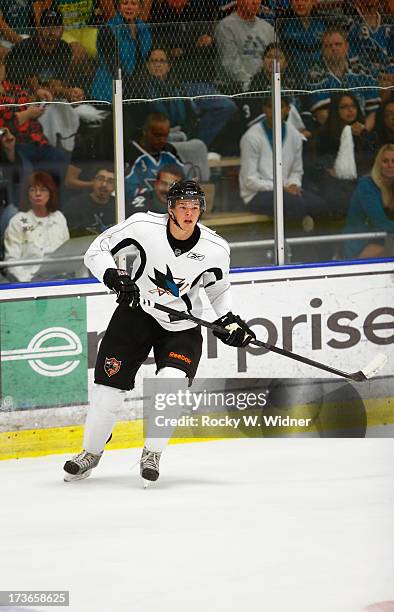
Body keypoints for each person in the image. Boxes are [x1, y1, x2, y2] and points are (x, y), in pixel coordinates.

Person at [62, 179, 256, 484]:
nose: (190, 213)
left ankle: (152, 452)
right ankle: (90, 453)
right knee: (107, 393)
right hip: (135, 314)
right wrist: (113, 275)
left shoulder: (216, 248)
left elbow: (218, 289)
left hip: (182, 325)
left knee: (171, 382)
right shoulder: (142, 227)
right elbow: (96, 251)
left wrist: (229, 321)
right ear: (170, 208)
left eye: (195, 207)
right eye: (183, 207)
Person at [239, 96, 324, 230]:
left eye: (280, 106)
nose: (274, 110)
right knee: (295, 204)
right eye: (270, 106)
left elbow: (296, 171)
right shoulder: (251, 137)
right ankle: (290, 249)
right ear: (264, 109)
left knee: (319, 205)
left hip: (287, 190)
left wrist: (294, 184)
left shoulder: (295, 135)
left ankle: (315, 250)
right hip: (256, 194)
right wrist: (281, 188)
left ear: (288, 109)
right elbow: (250, 181)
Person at [313, 92, 375, 216]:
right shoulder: (324, 134)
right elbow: (320, 162)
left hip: (360, 180)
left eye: (353, 106)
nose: (350, 110)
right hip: (334, 183)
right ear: (335, 109)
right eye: (344, 107)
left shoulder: (363, 132)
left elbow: (371, 159)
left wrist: (363, 134)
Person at [3, 170, 69, 282]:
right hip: (29, 283)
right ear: (27, 194)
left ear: (50, 193)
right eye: (33, 189)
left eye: (43, 189)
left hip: (60, 280)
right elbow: (11, 261)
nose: (38, 194)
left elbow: (68, 253)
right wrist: (28, 281)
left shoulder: (59, 217)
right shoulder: (18, 221)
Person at [307, 27, 381, 123]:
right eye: (328, 46)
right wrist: (348, 132)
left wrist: (363, 131)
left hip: (363, 128)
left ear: (346, 47)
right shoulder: (315, 75)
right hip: (333, 132)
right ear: (322, 50)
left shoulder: (362, 70)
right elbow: (322, 115)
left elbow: (373, 111)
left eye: (338, 44)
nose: (333, 48)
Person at [91, 0, 152, 102]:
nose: (129, 7)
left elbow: (145, 57)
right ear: (119, 7)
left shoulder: (144, 28)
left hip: (135, 89)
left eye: (133, 3)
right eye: (125, 3)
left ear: (140, 8)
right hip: (107, 91)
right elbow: (113, 65)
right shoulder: (108, 29)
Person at [343, 144, 394, 259]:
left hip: (385, 239)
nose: (390, 165)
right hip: (360, 243)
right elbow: (381, 223)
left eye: (393, 161)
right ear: (378, 164)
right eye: (385, 161)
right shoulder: (367, 185)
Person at [215, 0, 275, 93]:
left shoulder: (268, 28)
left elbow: (277, 57)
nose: (255, 2)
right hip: (234, 87)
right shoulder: (226, 26)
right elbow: (230, 61)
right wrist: (250, 84)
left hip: (266, 85)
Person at [124, 112, 185, 200]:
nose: (162, 140)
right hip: (139, 207)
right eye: (158, 135)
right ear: (145, 131)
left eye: (165, 136)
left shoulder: (169, 151)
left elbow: (184, 180)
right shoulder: (131, 153)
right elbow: (127, 189)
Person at [63, 164, 115, 235]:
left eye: (110, 181)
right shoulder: (75, 206)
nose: (104, 184)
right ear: (93, 180)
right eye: (100, 179)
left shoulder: (120, 205)